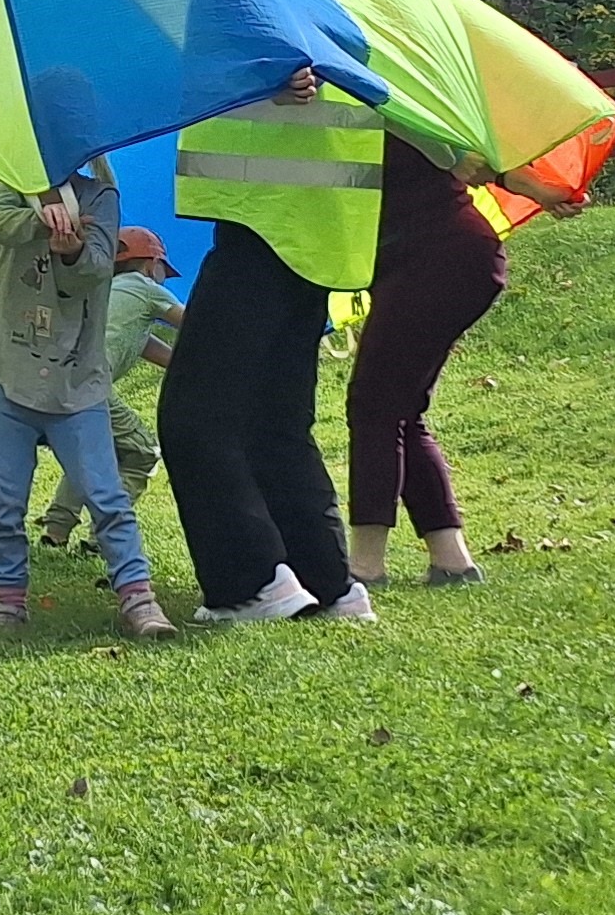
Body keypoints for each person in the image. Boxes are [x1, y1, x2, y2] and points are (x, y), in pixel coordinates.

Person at [160, 67, 383, 627]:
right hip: (315, 228)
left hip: (266, 221)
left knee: (193, 419)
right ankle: (329, 586)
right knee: (273, 425)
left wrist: (262, 74)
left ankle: (251, 585)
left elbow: (266, 41)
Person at [347, 133, 583, 587]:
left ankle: (365, 565)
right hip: (428, 257)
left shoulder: (385, 99)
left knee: (374, 405)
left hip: (443, 255)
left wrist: (541, 191)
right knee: (398, 408)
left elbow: (470, 156)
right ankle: (451, 560)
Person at [0, 160, 177, 638]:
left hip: (77, 381)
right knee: (4, 501)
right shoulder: (11, 179)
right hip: (12, 375)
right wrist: (41, 219)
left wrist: (72, 250)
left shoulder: (100, 196)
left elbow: (94, 268)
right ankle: (8, 599)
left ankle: (139, 598)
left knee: (108, 497)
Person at [43, 226, 180, 552]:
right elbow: (193, 324)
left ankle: (56, 531)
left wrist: (186, 366)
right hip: (88, 383)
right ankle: (103, 536)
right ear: (150, 264)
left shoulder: (104, 291)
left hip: (54, 378)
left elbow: (143, 342)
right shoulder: (146, 288)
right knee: (141, 454)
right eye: (163, 271)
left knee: (89, 455)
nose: (162, 278)